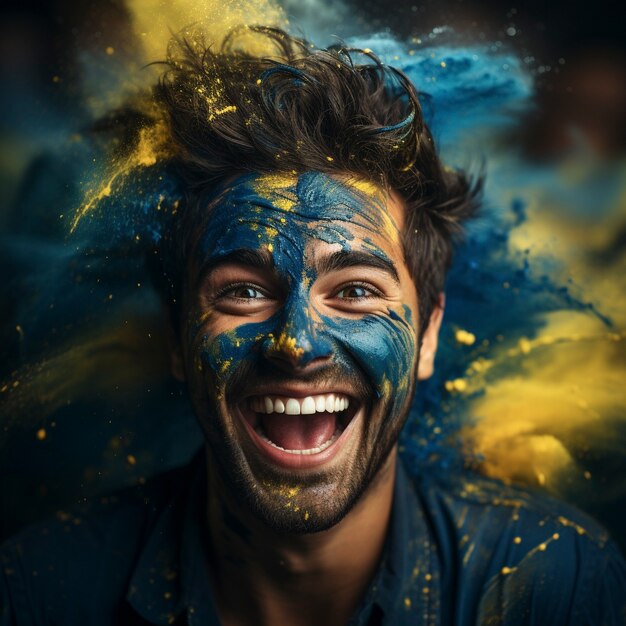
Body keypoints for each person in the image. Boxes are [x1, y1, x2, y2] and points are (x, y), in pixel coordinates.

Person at [1, 27, 625, 626]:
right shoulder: (42, 591)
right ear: (176, 337)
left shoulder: (550, 581)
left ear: (429, 334)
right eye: (243, 292)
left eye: (355, 291)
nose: (296, 344)